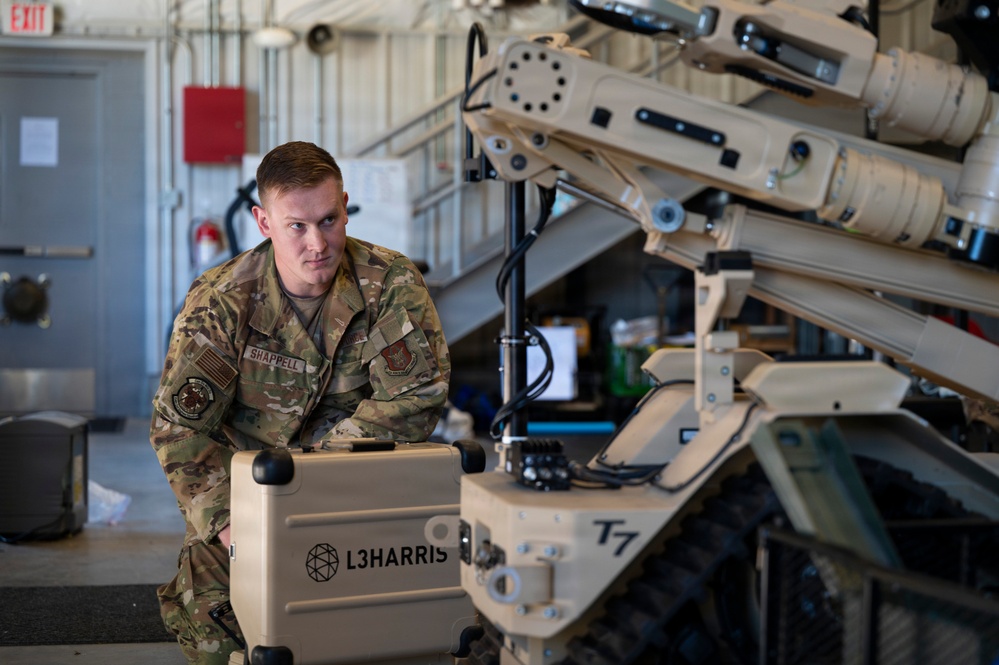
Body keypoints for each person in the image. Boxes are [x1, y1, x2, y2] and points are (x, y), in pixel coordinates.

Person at [150, 141, 451, 664]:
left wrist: (315, 488)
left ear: (344, 205)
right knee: (215, 621)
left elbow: (415, 398)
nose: (319, 242)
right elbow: (181, 427)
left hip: (360, 498)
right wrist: (231, 524)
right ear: (263, 222)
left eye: (330, 220)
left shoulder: (390, 283)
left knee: (394, 631)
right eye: (297, 226)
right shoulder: (223, 301)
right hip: (246, 510)